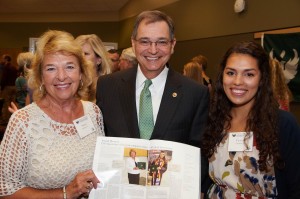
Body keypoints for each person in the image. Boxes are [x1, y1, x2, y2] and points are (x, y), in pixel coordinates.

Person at [96, 10, 209, 194]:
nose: (153, 50)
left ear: (173, 45)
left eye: (162, 42)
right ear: (133, 44)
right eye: (145, 41)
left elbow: (199, 153)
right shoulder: (108, 87)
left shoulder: (195, 94)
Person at [0, 30, 105, 198]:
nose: (61, 76)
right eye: (51, 68)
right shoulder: (22, 122)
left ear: (81, 73)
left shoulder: (94, 113)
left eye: (70, 67)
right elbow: (5, 189)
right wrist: (65, 193)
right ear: (41, 76)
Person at [201, 41, 300, 198]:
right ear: (222, 76)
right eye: (231, 73)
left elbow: (296, 187)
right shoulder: (213, 120)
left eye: (249, 74)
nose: (238, 81)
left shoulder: (283, 124)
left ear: (262, 79)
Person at [75, 34, 112, 102]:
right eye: (78, 54)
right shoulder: (71, 86)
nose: (80, 58)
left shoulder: (108, 88)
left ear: (98, 60)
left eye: (86, 54)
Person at [0, 54, 18, 124]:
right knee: (13, 103)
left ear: (6, 59)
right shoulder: (14, 67)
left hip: (7, 87)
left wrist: (1, 87)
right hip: (14, 86)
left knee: (6, 104)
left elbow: (3, 78)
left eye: (3, 59)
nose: (2, 60)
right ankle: (12, 117)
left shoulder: (6, 67)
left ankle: (5, 120)